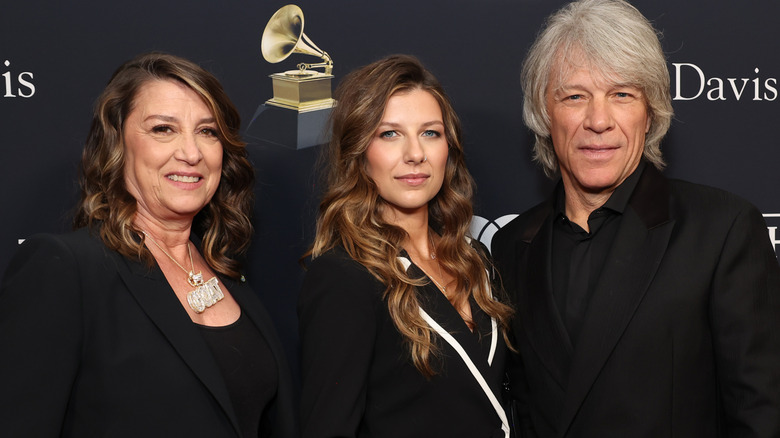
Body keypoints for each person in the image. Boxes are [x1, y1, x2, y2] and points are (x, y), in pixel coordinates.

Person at [491, 0, 780, 436]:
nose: (598, 121)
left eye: (622, 94)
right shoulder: (511, 246)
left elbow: (762, 417)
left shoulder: (722, 230)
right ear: (545, 114)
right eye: (575, 96)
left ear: (650, 113)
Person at [0, 53, 296, 438]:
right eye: (163, 129)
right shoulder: (66, 268)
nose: (191, 153)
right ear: (117, 143)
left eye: (207, 131)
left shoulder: (224, 270)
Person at [298, 54, 515, 438]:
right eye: (390, 134)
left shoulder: (474, 259)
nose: (415, 154)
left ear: (448, 148)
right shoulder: (343, 276)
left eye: (430, 133)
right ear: (359, 152)